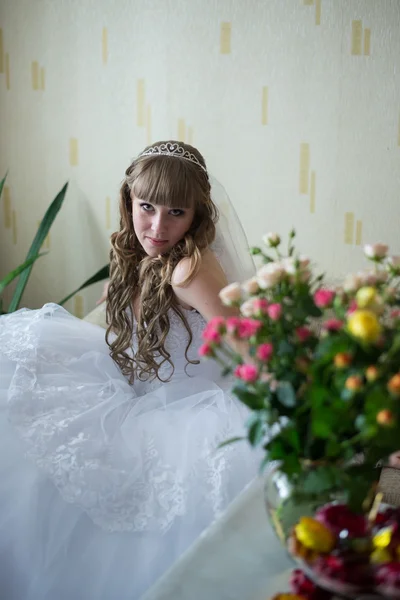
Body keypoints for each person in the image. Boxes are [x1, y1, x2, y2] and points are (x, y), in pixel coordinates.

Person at [0, 141, 260, 599]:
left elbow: (249, 348)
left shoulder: (191, 268)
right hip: (134, 392)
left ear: (197, 215)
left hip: (184, 412)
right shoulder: (140, 255)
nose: (158, 226)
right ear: (128, 202)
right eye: (147, 207)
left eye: (176, 212)